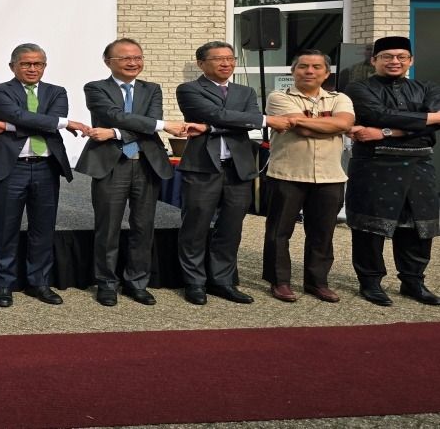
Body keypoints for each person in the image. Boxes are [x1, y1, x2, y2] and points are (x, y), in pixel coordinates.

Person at [175, 41, 293, 305]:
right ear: (201, 63)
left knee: (231, 228)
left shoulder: (245, 91)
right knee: (195, 227)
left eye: (230, 58)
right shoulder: (189, 89)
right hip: (202, 167)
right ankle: (194, 282)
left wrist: (210, 128)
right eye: (219, 59)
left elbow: (243, 123)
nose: (226, 63)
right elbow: (214, 114)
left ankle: (222, 281)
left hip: (238, 168)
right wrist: (261, 120)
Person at [76, 38, 190, 307]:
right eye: (125, 58)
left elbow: (144, 123)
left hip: (146, 164)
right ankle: (106, 283)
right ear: (108, 62)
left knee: (143, 226)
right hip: (111, 165)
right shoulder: (95, 88)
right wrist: (161, 125)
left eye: (138, 57)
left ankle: (137, 282)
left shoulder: (152, 89)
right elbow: (115, 116)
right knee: (108, 227)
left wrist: (115, 134)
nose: (133, 63)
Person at [0, 43, 90, 308]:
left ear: (44, 66)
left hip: (46, 167)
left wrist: (11, 127)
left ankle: (39, 283)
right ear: (13, 66)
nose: (32, 68)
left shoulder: (57, 92)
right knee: (4, 229)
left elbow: (43, 120)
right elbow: (16, 114)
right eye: (26, 64)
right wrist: (62, 124)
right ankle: (4, 285)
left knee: (43, 228)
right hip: (11, 168)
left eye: (38, 64)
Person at [344, 36, 440, 306]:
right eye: (387, 56)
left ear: (411, 61)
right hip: (374, 164)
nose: (394, 61)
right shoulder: (358, 88)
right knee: (370, 226)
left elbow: (434, 125)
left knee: (418, 225)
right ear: (374, 60)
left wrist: (385, 132)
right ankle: (370, 282)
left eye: (401, 57)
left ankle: (413, 281)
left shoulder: (427, 88)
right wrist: (428, 118)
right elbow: (377, 114)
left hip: (420, 165)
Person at [261, 50, 354, 303]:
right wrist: (331, 126)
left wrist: (307, 122)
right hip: (287, 174)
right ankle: (279, 281)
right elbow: (305, 130)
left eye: (316, 67)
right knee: (279, 231)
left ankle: (317, 282)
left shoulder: (339, 98)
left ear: (326, 73)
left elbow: (344, 124)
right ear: (293, 71)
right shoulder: (279, 97)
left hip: (330, 176)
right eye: (303, 66)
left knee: (322, 233)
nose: (309, 71)